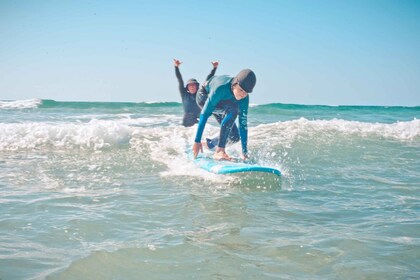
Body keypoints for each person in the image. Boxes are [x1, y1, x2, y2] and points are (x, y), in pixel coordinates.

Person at [193, 69, 256, 160]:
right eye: (241, 90)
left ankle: (208, 144)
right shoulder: (220, 88)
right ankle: (219, 151)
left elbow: (243, 125)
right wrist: (196, 141)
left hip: (223, 101)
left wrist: (245, 152)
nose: (243, 94)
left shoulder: (244, 98)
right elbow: (205, 114)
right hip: (204, 96)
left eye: (246, 92)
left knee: (234, 136)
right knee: (233, 110)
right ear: (235, 84)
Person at [173, 59, 219, 127]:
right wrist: (176, 67)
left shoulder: (200, 93)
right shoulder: (184, 94)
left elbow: (208, 80)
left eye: (193, 85)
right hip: (187, 121)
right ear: (187, 87)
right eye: (190, 85)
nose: (192, 87)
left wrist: (214, 68)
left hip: (198, 120)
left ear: (197, 86)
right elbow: (180, 80)